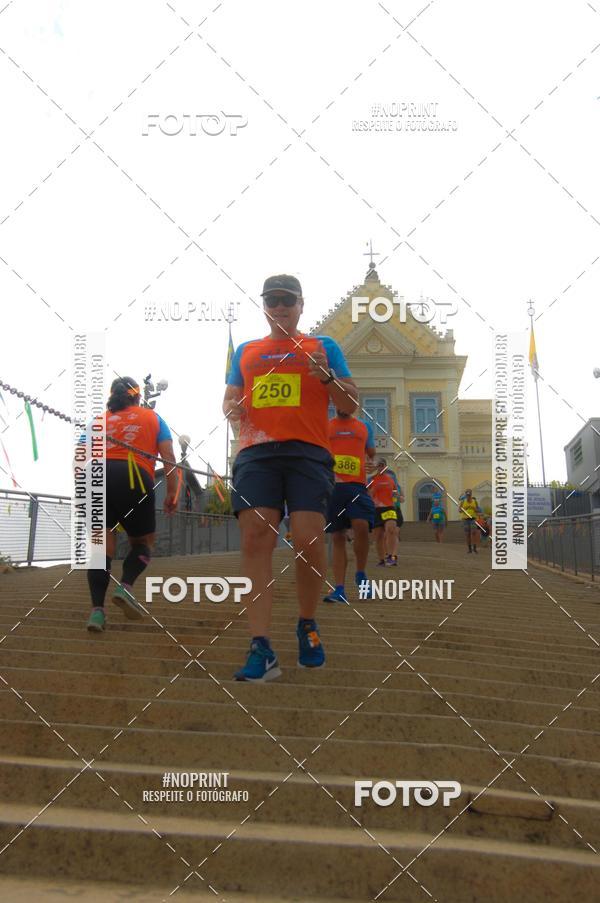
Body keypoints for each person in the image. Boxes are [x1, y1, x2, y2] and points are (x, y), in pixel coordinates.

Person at [223, 274, 358, 681]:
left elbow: (350, 402)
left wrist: (328, 378)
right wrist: (232, 407)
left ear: (301, 305)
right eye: (272, 300)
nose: (280, 307)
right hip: (256, 453)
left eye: (287, 300)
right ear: (264, 306)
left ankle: (307, 622)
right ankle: (260, 646)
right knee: (256, 537)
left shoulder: (323, 347)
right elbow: (230, 399)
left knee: (307, 537)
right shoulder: (247, 351)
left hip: (308, 453)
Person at [84, 377, 178, 632]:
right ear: (137, 397)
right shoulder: (153, 418)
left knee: (101, 547)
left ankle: (97, 613)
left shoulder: (97, 421)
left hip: (96, 477)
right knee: (143, 543)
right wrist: (172, 492)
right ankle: (124, 588)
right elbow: (168, 456)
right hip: (133, 476)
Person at [323, 410, 376, 603]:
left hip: (357, 485)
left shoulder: (364, 426)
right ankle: (339, 589)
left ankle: (361, 574)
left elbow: (371, 454)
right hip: (333, 486)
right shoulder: (326, 425)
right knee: (337, 536)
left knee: (361, 526)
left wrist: (371, 462)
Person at [368, 458, 399, 566]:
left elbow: (395, 493)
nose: (381, 467)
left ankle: (392, 557)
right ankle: (381, 560)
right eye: (379, 465)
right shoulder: (371, 479)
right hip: (376, 509)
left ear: (385, 466)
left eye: (382, 465)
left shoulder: (391, 480)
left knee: (391, 530)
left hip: (389, 508)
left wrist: (395, 498)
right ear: (376, 467)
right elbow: (366, 494)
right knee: (378, 536)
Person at [459, 488, 480, 553]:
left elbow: (478, 510)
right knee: (467, 534)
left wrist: (474, 508)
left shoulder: (475, 501)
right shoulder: (463, 501)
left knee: (474, 533)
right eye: (467, 494)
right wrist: (465, 509)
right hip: (465, 519)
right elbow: (459, 510)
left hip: (473, 519)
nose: (468, 495)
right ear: (466, 494)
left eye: (469, 494)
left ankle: (474, 548)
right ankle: (469, 549)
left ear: (471, 494)